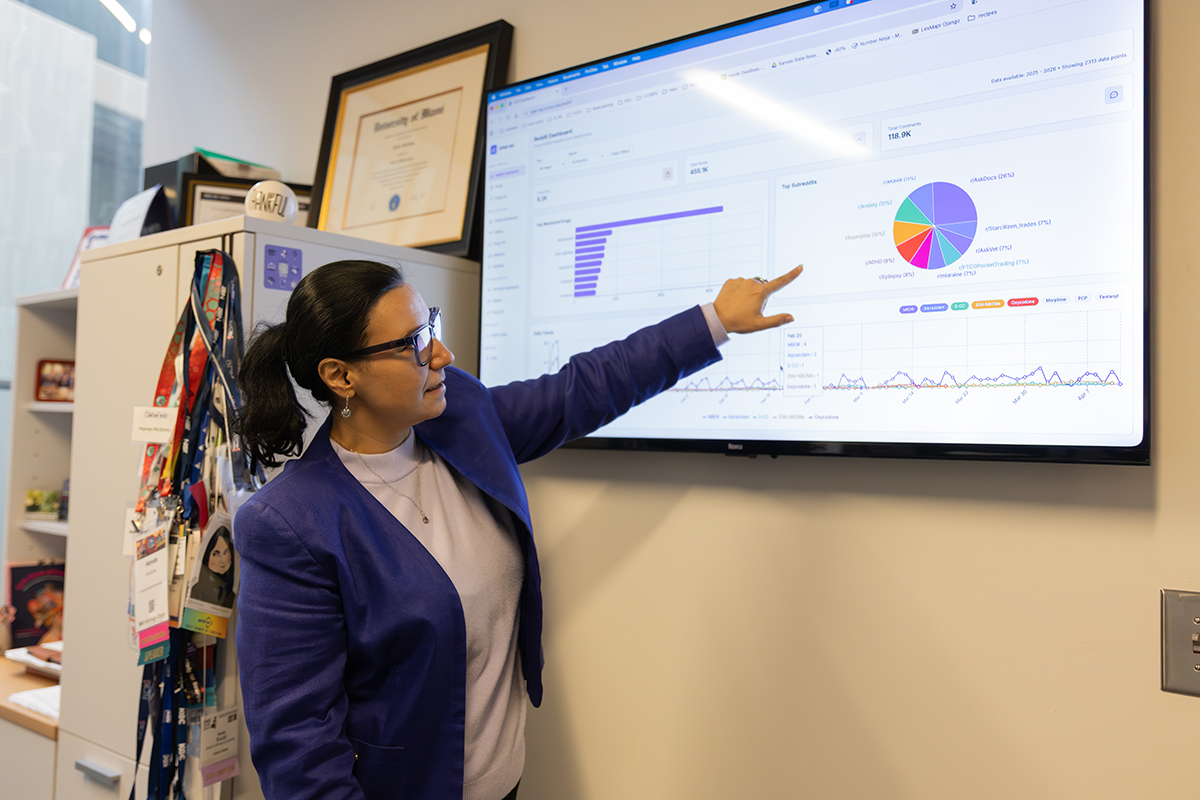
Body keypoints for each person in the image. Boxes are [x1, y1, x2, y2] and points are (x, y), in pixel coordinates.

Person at [233, 259, 801, 800]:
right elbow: (298, 748)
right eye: (412, 345)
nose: (442, 353)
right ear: (340, 376)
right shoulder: (291, 525)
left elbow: (581, 389)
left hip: (504, 781)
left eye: (429, 326)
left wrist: (714, 321)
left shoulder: (462, 417)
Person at [189, 526, 236, 609]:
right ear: (206, 555)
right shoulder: (197, 590)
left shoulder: (232, 593)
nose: (223, 560)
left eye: (226, 552)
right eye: (215, 554)